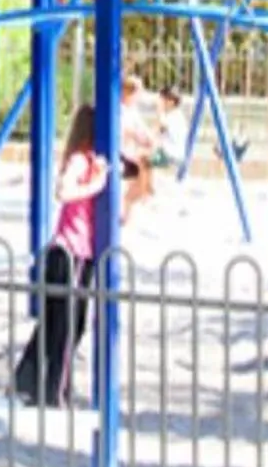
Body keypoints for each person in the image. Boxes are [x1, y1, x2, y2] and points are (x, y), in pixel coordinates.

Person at [11, 83, 161, 406]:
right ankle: (55, 390)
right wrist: (96, 183)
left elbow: (120, 210)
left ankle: (27, 380)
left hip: (82, 253)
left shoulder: (99, 163)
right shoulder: (82, 160)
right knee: (67, 325)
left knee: (58, 322)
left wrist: (135, 191)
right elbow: (64, 191)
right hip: (70, 252)